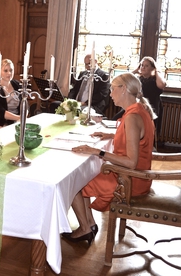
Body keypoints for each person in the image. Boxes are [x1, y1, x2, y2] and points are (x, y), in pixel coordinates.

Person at [61, 72, 155, 245]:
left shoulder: (132, 117)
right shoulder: (138, 110)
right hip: (135, 176)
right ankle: (88, 225)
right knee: (83, 177)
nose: (110, 93)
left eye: (113, 89)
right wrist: (110, 134)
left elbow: (131, 162)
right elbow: (133, 138)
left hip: (131, 180)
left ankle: (85, 228)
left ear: (124, 89)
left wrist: (98, 152)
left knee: (75, 181)